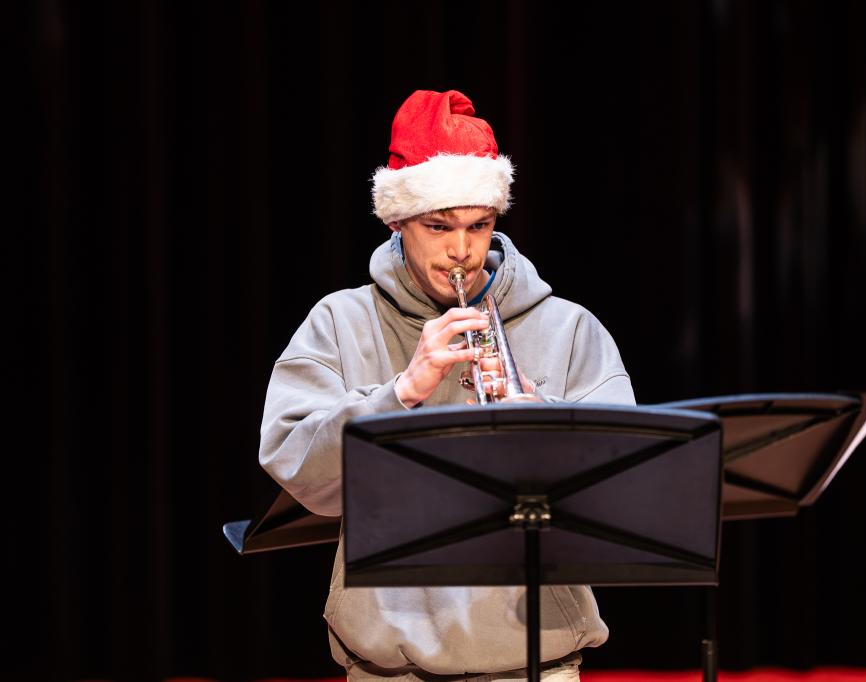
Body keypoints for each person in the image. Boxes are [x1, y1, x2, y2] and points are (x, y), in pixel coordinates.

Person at [258, 89, 635, 680]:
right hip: (389, 666)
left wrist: (540, 416)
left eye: (479, 226)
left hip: (537, 660)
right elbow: (298, 471)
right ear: (397, 221)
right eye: (438, 226)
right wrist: (401, 393)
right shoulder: (339, 321)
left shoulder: (568, 327)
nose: (461, 251)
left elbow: (627, 487)